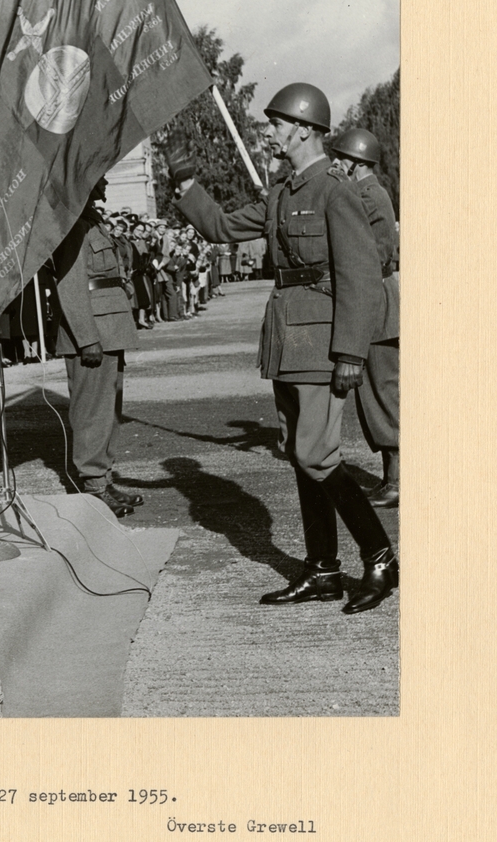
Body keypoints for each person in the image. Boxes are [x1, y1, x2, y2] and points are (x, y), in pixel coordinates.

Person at [167, 82, 397, 614]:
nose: (270, 131)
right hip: (287, 342)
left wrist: (351, 353)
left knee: (316, 454)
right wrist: (185, 183)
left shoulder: (335, 190)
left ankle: (381, 558)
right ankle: (323, 569)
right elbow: (222, 227)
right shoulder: (282, 192)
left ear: (305, 129)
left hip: (323, 344)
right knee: (301, 457)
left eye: (277, 123)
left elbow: (360, 276)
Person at [52, 177, 143, 518]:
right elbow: (70, 284)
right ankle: (92, 485)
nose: (105, 184)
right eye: (99, 178)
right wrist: (86, 336)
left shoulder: (92, 221)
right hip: (92, 333)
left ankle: (102, 479)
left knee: (108, 410)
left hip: (109, 328)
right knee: (92, 412)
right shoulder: (73, 224)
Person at [331, 127, 400, 507]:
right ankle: (392, 477)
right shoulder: (367, 193)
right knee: (375, 395)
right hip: (375, 302)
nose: (335, 165)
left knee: (384, 394)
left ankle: (399, 480)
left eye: (340, 159)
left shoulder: (369, 197)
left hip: (377, 304)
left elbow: (368, 255)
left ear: (354, 162)